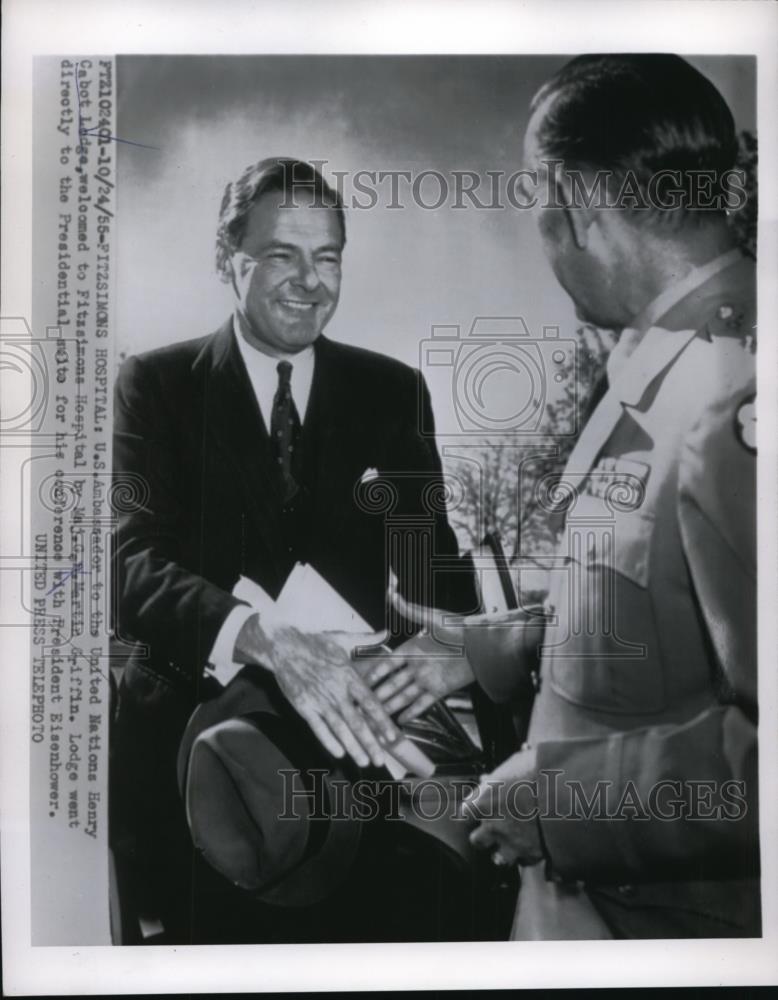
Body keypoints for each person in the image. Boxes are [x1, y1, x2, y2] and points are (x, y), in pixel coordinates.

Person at [367, 55, 759, 939]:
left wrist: (557, 802)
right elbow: (670, 602)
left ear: (578, 201)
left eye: (535, 200)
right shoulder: (667, 364)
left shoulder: (730, 398)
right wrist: (488, 649)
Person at [110, 158, 474, 943]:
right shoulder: (153, 385)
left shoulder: (394, 393)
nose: (311, 281)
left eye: (329, 256)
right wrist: (263, 636)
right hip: (191, 773)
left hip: (344, 780)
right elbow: (129, 562)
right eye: (283, 255)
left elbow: (433, 571)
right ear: (226, 259)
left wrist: (445, 651)